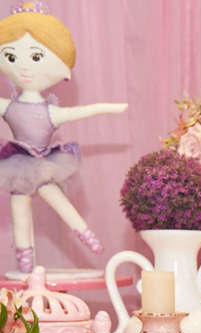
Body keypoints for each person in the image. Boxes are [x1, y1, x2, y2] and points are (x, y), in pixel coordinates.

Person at [0, 2, 127, 271]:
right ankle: (25, 258)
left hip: (43, 162)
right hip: (16, 163)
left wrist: (111, 108)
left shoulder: (51, 112)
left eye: (36, 57)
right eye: (10, 57)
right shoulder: (9, 107)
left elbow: (84, 111)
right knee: (20, 203)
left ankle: (84, 232)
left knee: (53, 196)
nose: (23, 67)